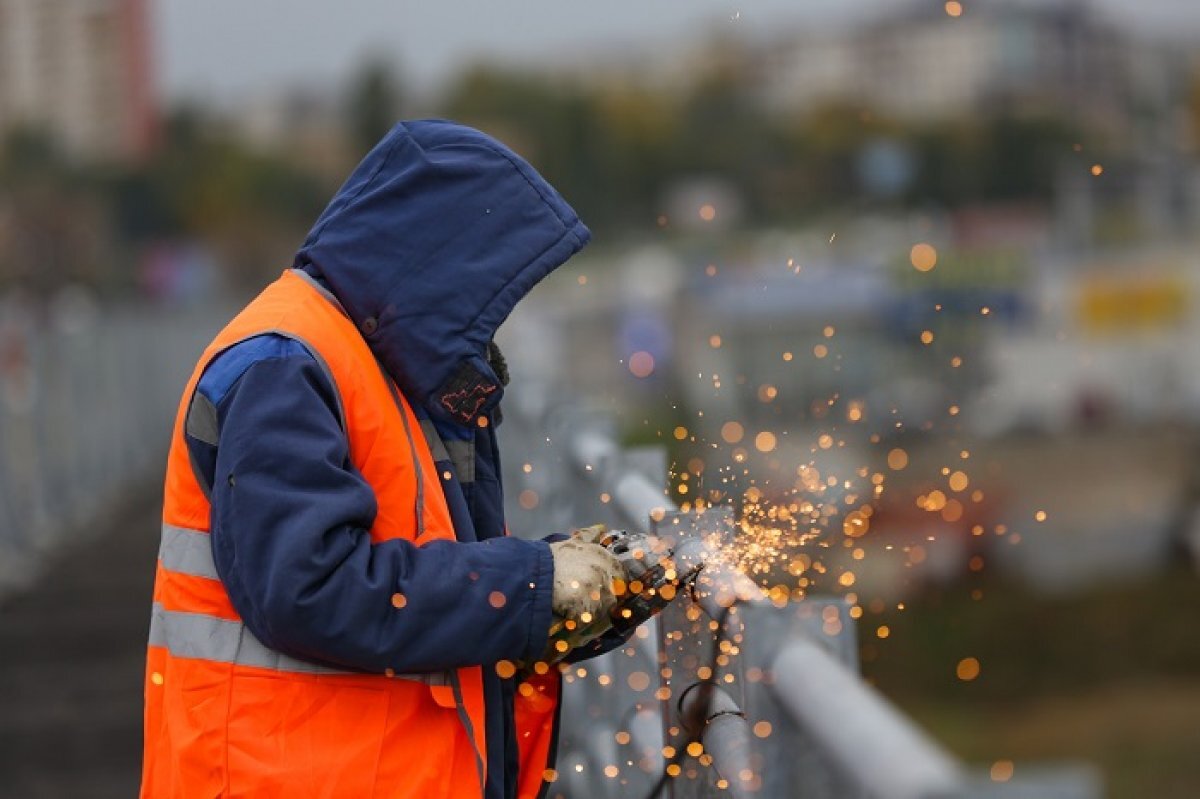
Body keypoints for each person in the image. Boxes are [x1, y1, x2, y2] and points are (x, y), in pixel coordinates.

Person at [140, 120, 629, 799]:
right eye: (486, 291)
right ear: (434, 261)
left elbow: (431, 571)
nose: (489, 319)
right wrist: (538, 584)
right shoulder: (283, 362)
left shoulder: (379, 363)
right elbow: (311, 588)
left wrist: (589, 593)